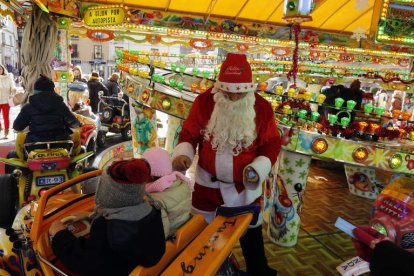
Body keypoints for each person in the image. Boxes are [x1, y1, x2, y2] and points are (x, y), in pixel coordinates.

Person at [172, 53, 281, 276]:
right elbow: (189, 134)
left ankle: (258, 272)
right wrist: (183, 154)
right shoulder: (203, 102)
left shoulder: (262, 108)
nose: (232, 98)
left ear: (248, 90)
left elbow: (271, 145)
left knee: (251, 238)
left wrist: (258, 168)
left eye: (238, 94)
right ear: (219, 88)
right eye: (227, 93)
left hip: (244, 188)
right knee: (200, 235)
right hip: (207, 186)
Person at [49, 158, 166, 275]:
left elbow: (84, 262)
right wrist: (92, 216)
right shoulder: (152, 210)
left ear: (105, 192)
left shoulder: (107, 228)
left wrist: (60, 235)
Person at [13, 75, 81, 148]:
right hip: (61, 144)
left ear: (35, 90)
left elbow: (17, 126)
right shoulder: (61, 105)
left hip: (35, 145)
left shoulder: (28, 107)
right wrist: (78, 124)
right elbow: (74, 123)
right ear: (52, 90)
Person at [143, 147, 194, 238]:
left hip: (172, 238)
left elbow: (162, 233)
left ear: (148, 175)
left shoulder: (154, 199)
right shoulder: (182, 183)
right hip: (186, 230)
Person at [0, 64, 16, 139]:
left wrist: (13, 91)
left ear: (3, 69)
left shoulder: (8, 78)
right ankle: (0, 127)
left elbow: (12, 86)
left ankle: (6, 132)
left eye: (0, 69)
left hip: (6, 100)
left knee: (5, 117)